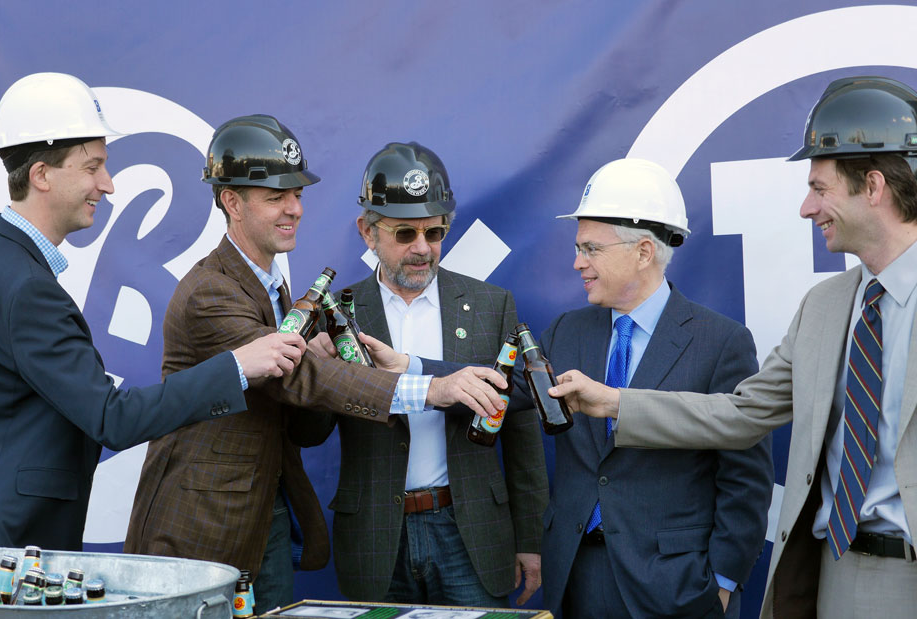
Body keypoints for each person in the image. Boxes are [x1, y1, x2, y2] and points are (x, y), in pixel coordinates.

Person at [552, 76, 917, 618]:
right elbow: (741, 414)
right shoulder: (825, 307)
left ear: (874, 186)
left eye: (820, 187)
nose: (807, 208)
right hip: (830, 577)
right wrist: (615, 403)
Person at [124, 121, 507, 612]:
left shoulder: (276, 287)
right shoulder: (210, 292)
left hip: (266, 519)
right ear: (231, 202)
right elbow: (297, 377)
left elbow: (298, 412)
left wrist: (322, 367)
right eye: (276, 196)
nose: (295, 208)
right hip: (205, 528)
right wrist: (428, 388)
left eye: (298, 193)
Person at [0, 73, 303, 551]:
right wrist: (237, 366)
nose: (109, 183)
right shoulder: (24, 287)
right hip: (13, 551)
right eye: (92, 166)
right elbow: (110, 419)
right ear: (41, 175)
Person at [531, 158, 773, 618]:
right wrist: (410, 367)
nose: (577, 262)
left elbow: (746, 477)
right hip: (578, 577)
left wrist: (721, 582)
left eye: (591, 249)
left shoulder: (721, 342)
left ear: (643, 252)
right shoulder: (567, 332)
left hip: (678, 588)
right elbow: (500, 389)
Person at [313, 142, 548, 608]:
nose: (422, 248)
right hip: (377, 537)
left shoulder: (490, 305)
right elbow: (310, 431)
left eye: (435, 232)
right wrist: (316, 375)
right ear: (368, 232)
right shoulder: (336, 313)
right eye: (404, 234)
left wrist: (530, 538)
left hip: (472, 534)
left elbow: (521, 431)